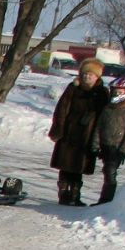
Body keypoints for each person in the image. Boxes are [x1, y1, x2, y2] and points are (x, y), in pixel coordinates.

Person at [47, 57, 109, 206]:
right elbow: (61, 109)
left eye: (91, 74)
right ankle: (63, 194)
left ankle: (75, 195)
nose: (87, 77)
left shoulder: (101, 92)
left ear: (97, 76)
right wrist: (58, 129)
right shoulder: (73, 88)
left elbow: (104, 116)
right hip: (69, 132)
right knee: (65, 166)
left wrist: (99, 137)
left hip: (87, 136)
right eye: (85, 74)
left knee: (78, 168)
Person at [89, 75, 125, 205]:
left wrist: (123, 150)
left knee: (110, 172)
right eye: (115, 91)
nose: (116, 93)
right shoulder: (108, 106)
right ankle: (104, 199)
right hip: (105, 144)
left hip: (117, 146)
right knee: (106, 171)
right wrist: (95, 145)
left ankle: (106, 200)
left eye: (120, 91)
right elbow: (99, 126)